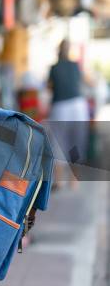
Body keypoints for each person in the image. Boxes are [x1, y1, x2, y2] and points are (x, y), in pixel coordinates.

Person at [47, 39, 89, 189]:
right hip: (78, 105)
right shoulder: (75, 65)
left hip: (60, 106)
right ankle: (73, 181)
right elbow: (82, 82)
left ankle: (58, 181)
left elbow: (50, 87)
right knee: (76, 143)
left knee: (58, 143)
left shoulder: (54, 67)